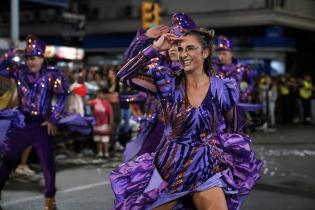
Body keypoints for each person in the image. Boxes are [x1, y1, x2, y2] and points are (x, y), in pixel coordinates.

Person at [110, 28, 263, 209]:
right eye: (180, 49)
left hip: (205, 168)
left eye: (190, 48)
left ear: (205, 53)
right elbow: (125, 76)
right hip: (168, 170)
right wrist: (154, 47)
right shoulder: (167, 83)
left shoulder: (222, 88)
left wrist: (225, 156)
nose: (183, 54)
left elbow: (234, 129)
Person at [0, 35, 69, 210]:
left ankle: (50, 202)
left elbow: (63, 96)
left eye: (34, 58)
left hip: (41, 126)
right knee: (8, 160)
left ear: (42, 58)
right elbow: (1, 69)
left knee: (47, 164)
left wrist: (54, 118)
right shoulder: (19, 71)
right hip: (22, 124)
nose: (30, 62)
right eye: (28, 58)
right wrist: (10, 54)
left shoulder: (53, 74)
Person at [122, 12, 197, 162]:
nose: (174, 47)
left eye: (179, 42)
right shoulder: (157, 64)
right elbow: (128, 65)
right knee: (144, 169)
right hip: (155, 126)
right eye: (171, 41)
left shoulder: (199, 69)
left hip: (186, 133)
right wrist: (145, 40)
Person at [213, 35, 260, 132]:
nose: (220, 56)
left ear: (231, 53)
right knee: (217, 134)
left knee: (235, 131)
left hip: (236, 105)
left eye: (224, 53)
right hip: (217, 106)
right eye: (219, 53)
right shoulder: (213, 67)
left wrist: (246, 94)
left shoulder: (242, 67)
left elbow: (252, 81)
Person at [87, 88, 114, 158]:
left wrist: (110, 123)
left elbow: (110, 114)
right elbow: (87, 103)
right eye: (98, 94)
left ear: (104, 95)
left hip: (104, 123)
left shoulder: (106, 103)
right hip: (96, 123)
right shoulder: (94, 102)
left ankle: (106, 153)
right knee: (98, 139)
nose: (100, 95)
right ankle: (100, 153)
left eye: (101, 94)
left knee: (105, 139)